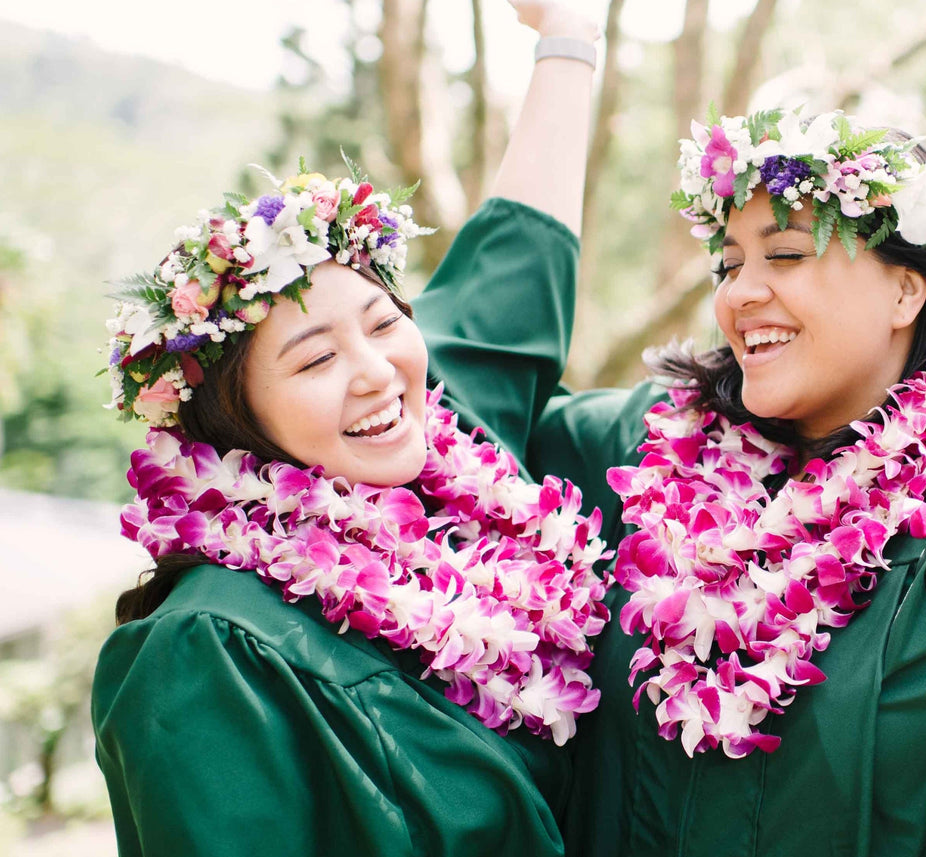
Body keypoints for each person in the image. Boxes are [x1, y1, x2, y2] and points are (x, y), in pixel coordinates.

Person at [499, 108, 926, 856]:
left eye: (788, 254)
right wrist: (566, 52)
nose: (738, 295)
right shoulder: (641, 459)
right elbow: (465, 402)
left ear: (906, 290)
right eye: (729, 264)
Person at [90, 4, 607, 855]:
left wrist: (569, 36)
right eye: (312, 359)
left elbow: (518, 264)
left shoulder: (442, 451)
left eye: (382, 320)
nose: (374, 369)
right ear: (234, 420)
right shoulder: (207, 650)